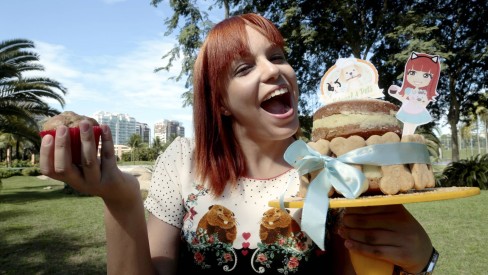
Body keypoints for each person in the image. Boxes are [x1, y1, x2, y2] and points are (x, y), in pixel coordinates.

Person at [40, 13, 435, 275]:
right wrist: (121, 199)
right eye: (245, 68)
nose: (275, 72)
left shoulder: (333, 171)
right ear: (221, 103)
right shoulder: (183, 162)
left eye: (277, 56)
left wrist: (422, 261)